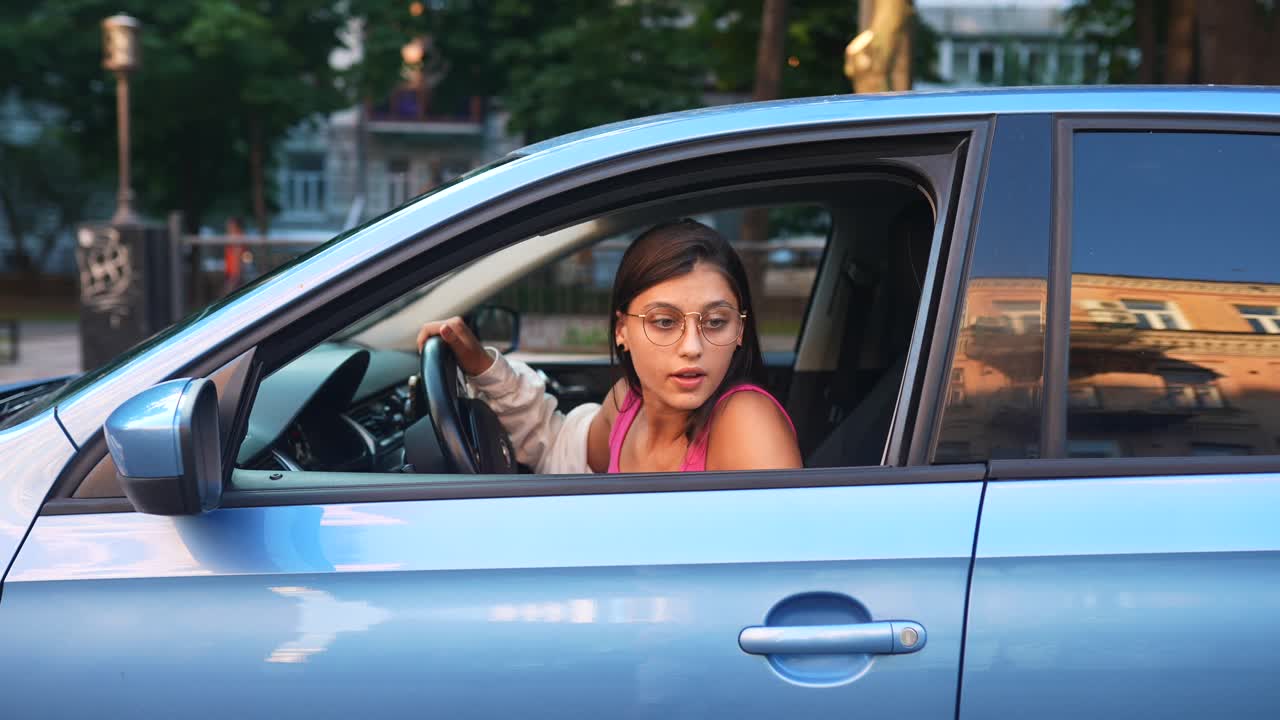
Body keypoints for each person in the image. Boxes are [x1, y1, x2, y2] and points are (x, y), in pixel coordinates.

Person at [417, 219, 802, 474]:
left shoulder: (745, 421)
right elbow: (557, 449)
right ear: (622, 331)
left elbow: (789, 563)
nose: (692, 347)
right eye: (664, 322)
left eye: (716, 322)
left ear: (740, 330)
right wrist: (483, 367)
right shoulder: (627, 404)